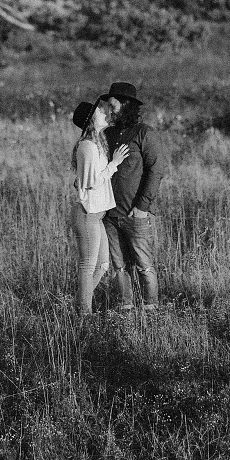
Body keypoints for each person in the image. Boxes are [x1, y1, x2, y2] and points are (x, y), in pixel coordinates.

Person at [102, 81, 164, 312]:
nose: (109, 109)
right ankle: (125, 311)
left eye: (112, 104)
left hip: (135, 214)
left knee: (144, 265)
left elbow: (156, 169)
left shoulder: (144, 133)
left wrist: (142, 206)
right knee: (118, 266)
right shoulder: (107, 134)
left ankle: (151, 309)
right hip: (109, 214)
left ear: (126, 104)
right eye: (108, 106)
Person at [70, 98, 130, 316]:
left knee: (102, 265)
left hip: (96, 215)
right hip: (87, 214)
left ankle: (81, 304)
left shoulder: (96, 144)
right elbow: (91, 182)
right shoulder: (87, 146)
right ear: (90, 120)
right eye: (99, 111)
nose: (104, 113)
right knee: (88, 265)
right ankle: (84, 313)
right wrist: (114, 164)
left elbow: (82, 180)